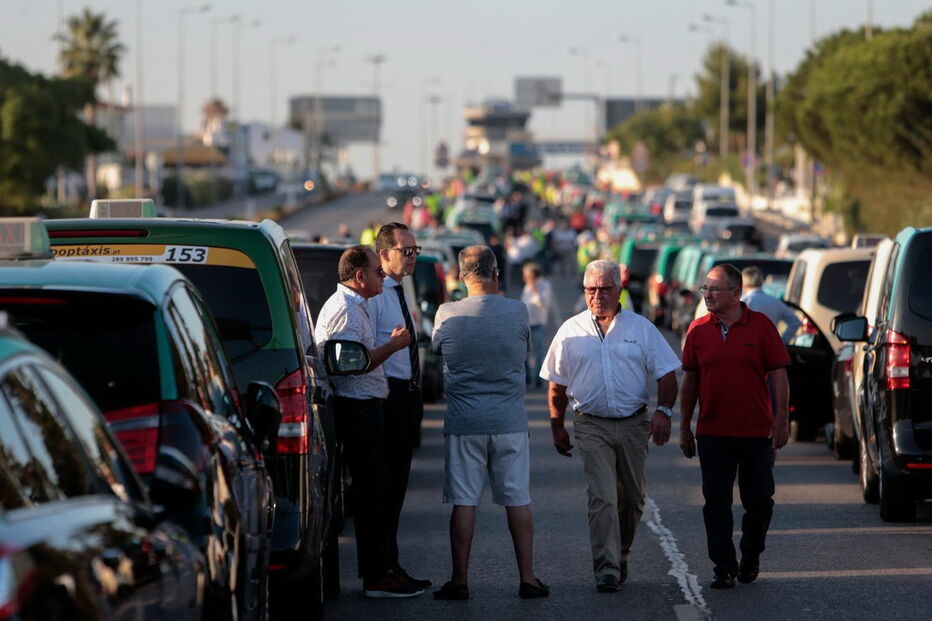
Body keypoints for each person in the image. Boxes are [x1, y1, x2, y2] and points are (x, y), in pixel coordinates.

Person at [541, 259, 680, 593]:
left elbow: (667, 374)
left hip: (633, 424)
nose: (597, 296)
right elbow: (556, 385)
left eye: (605, 289)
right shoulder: (570, 331)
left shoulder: (640, 328)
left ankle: (621, 554)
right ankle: (606, 568)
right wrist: (557, 425)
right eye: (591, 289)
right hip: (591, 425)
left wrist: (663, 412)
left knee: (632, 499)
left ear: (619, 290)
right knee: (602, 497)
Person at [431, 245, 549, 601]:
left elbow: (437, 349)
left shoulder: (446, 313)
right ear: (496, 273)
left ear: (461, 276)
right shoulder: (518, 311)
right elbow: (525, 349)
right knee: (518, 499)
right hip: (509, 420)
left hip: (464, 420)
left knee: (464, 501)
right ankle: (528, 578)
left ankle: (459, 580)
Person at [314, 245, 420, 598]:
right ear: (360, 276)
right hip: (356, 408)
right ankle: (377, 577)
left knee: (377, 492)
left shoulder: (357, 304)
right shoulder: (346, 310)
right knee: (372, 494)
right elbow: (348, 364)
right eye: (377, 271)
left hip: (365, 406)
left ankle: (386, 568)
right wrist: (393, 346)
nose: (383, 276)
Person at [679, 264, 790, 590]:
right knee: (716, 503)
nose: (708, 294)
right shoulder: (698, 330)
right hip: (713, 433)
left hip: (756, 433)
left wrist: (781, 420)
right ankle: (723, 567)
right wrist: (684, 427)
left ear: (736, 293)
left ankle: (751, 556)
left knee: (760, 501)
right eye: (706, 288)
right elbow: (690, 381)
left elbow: (780, 374)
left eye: (714, 289)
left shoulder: (762, 326)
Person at [368, 223, 431, 591]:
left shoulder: (398, 289)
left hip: (407, 395)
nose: (412, 257)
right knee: (384, 489)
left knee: (398, 486)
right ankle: (381, 570)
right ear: (384, 254)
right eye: (405, 250)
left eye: (414, 250)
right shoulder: (376, 295)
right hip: (387, 397)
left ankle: (391, 564)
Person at [740, 266, 801, 344]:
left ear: (743, 282)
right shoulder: (776, 302)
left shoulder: (742, 302)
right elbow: (795, 322)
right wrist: (782, 341)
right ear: (762, 281)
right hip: (769, 346)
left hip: (745, 346)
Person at [521, 262, 552, 387]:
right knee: (524, 352)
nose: (524, 278)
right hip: (526, 323)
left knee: (538, 352)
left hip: (538, 323)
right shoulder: (527, 286)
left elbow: (542, 302)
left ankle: (538, 379)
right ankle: (527, 377)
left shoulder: (544, 285)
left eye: (526, 276)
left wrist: (534, 288)